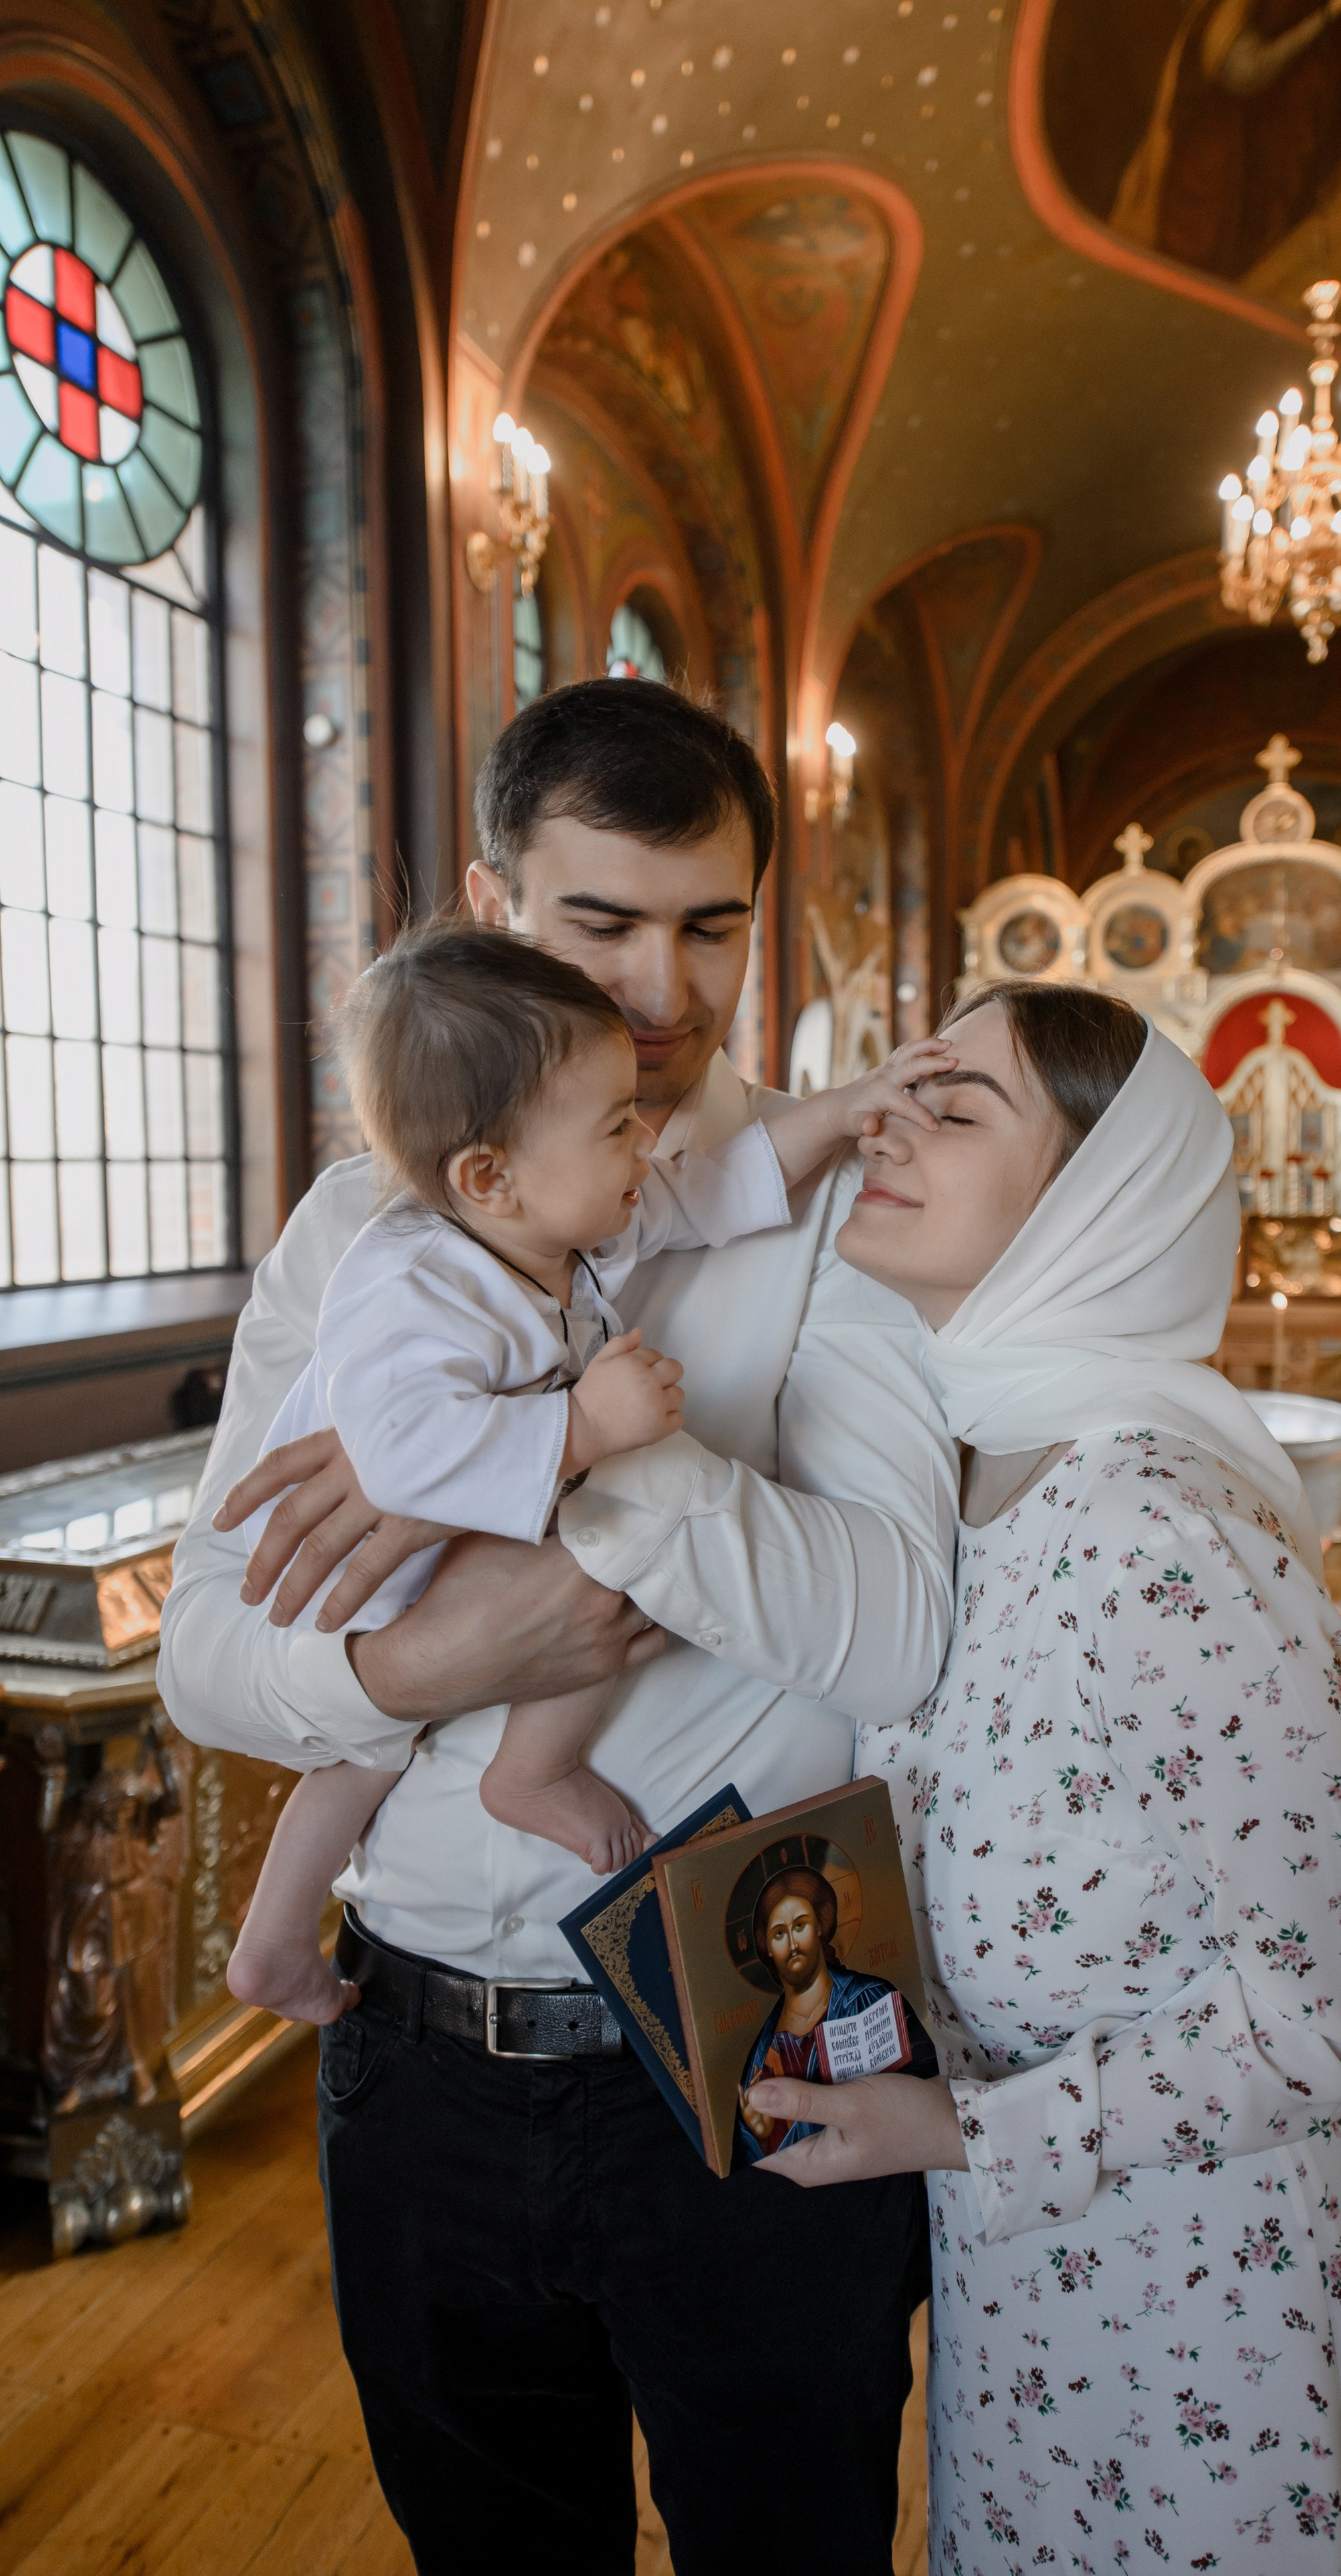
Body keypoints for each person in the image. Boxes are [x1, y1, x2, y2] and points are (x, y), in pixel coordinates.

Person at [157, 680, 959, 2576]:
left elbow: (899, 1633)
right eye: (600, 924)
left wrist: (558, 1484)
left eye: (712, 924)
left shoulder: (848, 1215)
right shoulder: (366, 1228)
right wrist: (425, 1665)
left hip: (751, 2043)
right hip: (416, 2062)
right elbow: (208, 1654)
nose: (666, 993)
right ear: (489, 897)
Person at [746, 983, 1341, 2571]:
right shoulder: (978, 1454)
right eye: (903, 1088)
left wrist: (965, 2133)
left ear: (1091, 1199)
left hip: (1212, 2304)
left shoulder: (1150, 1524)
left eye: (959, 1105)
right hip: (1040, 2283)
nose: (888, 1122)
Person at [224, 917, 953, 2024]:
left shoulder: (549, 1217)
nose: (642, 1149)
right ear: (487, 1172)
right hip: (366, 1585)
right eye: (617, 1128)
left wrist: (845, 1112)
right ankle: (497, 1797)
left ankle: (282, 1939)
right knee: (572, 1578)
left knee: (562, 1596)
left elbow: (717, 1189)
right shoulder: (410, 1278)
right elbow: (397, 1454)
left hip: (448, 1558)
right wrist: (579, 1427)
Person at [736, 1866, 935, 2164]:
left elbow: (926, 2084)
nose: (792, 1944)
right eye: (779, 1933)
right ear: (767, 1948)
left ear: (820, 1926)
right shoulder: (762, 2050)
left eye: (800, 1926)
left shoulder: (871, 1998)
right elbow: (751, 2157)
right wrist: (763, 2138)